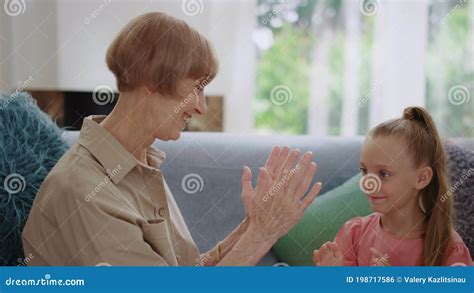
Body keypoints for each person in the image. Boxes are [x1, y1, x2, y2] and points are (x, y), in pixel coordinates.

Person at [22, 12, 322, 266]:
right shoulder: (84, 190)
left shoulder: (139, 162)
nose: (201, 107)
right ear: (152, 78)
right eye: (197, 87)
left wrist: (251, 227)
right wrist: (263, 233)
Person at [313, 106, 472, 266]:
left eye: (384, 174)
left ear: (422, 178)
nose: (368, 183)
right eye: (364, 171)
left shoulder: (449, 248)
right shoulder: (353, 234)